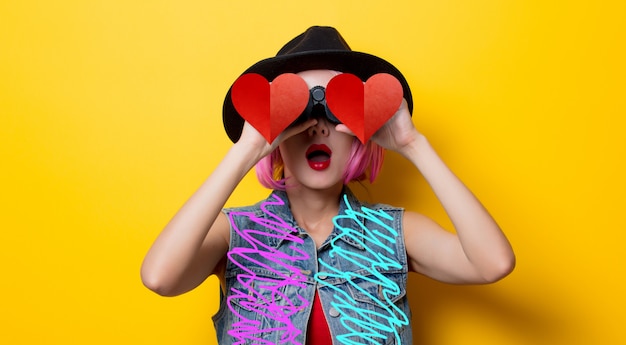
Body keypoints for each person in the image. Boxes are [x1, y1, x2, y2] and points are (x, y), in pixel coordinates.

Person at [141, 26, 515, 345]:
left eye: (335, 108)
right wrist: (248, 147)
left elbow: (493, 264)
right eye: (300, 111)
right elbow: (159, 277)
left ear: (360, 134)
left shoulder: (397, 234)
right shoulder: (236, 234)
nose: (317, 126)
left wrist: (412, 144)